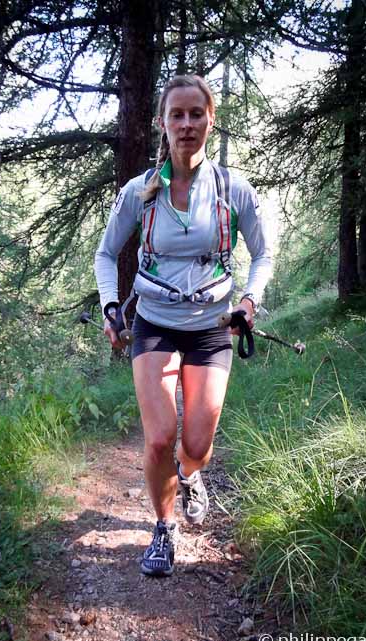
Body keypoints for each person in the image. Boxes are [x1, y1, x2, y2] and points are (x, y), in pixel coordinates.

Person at [94, 74, 273, 577]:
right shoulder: (140, 191)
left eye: (197, 114)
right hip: (154, 322)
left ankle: (191, 475)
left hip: (214, 323)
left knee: (195, 443)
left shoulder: (231, 189)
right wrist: (113, 307)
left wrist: (249, 301)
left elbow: (263, 254)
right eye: (178, 115)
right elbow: (106, 254)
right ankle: (164, 528)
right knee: (158, 437)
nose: (187, 124)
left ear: (210, 121)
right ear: (162, 123)